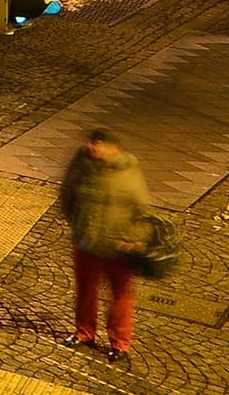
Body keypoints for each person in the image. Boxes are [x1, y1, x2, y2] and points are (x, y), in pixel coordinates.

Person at [59, 128, 154, 358]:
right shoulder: (80, 164)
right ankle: (84, 332)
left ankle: (119, 343)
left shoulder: (127, 171)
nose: (94, 147)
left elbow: (142, 209)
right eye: (92, 143)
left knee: (121, 295)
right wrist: (77, 223)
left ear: (114, 148)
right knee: (85, 291)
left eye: (100, 144)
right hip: (86, 241)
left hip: (118, 246)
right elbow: (67, 195)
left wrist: (135, 240)